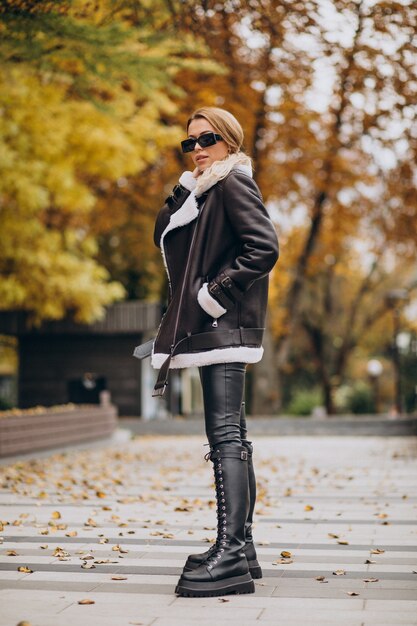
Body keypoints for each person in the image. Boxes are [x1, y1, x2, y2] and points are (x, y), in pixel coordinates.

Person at [151, 107, 279, 597]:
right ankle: (240, 548)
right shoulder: (208, 188)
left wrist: (212, 297)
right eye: (190, 142)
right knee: (232, 434)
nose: (198, 148)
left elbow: (263, 247)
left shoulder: (232, 184)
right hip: (218, 329)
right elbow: (164, 231)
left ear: (229, 141)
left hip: (221, 325)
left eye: (207, 139)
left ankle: (228, 555)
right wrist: (186, 185)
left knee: (225, 435)